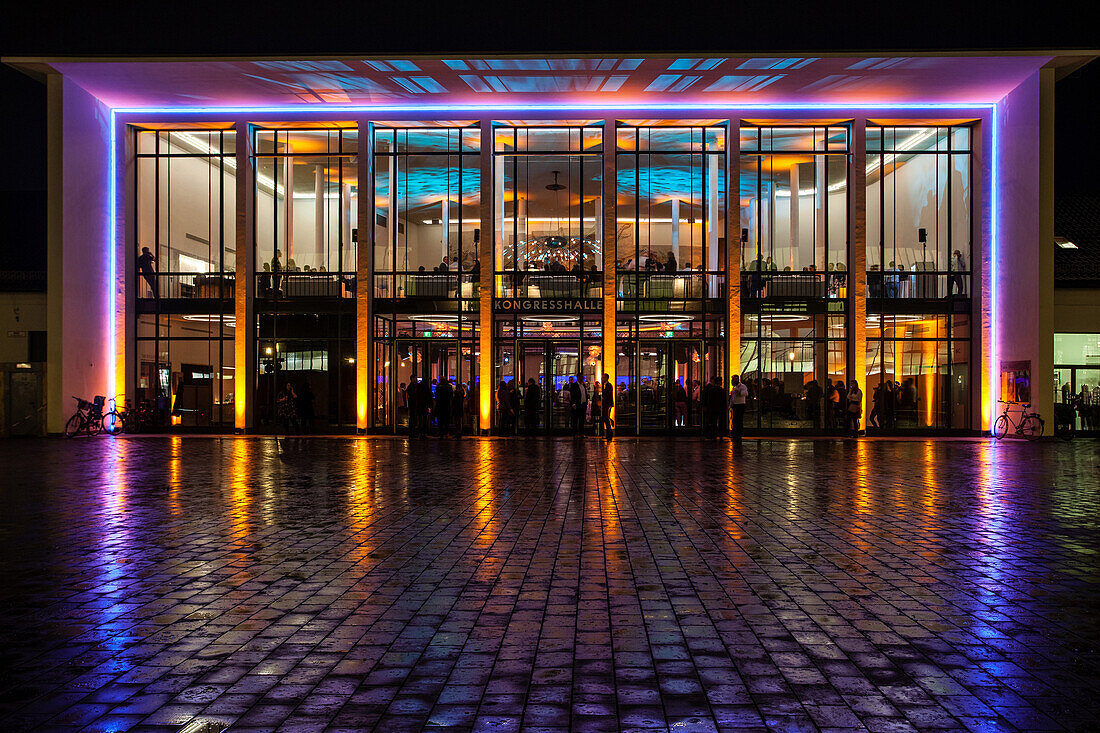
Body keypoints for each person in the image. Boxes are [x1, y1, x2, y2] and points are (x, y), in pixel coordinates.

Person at [729, 374, 749, 442]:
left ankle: (738, 434)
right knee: (735, 420)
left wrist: (740, 392)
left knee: (739, 420)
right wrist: (731, 405)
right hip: (735, 404)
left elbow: (746, 393)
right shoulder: (734, 387)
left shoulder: (742, 386)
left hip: (740, 405)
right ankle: (735, 434)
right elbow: (732, 397)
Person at [601, 373, 615, 439]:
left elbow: (607, 395)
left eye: (603, 377)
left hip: (607, 404)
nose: (602, 379)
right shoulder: (605, 385)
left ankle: (609, 434)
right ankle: (608, 434)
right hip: (606, 404)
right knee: (606, 418)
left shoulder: (608, 385)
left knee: (606, 418)